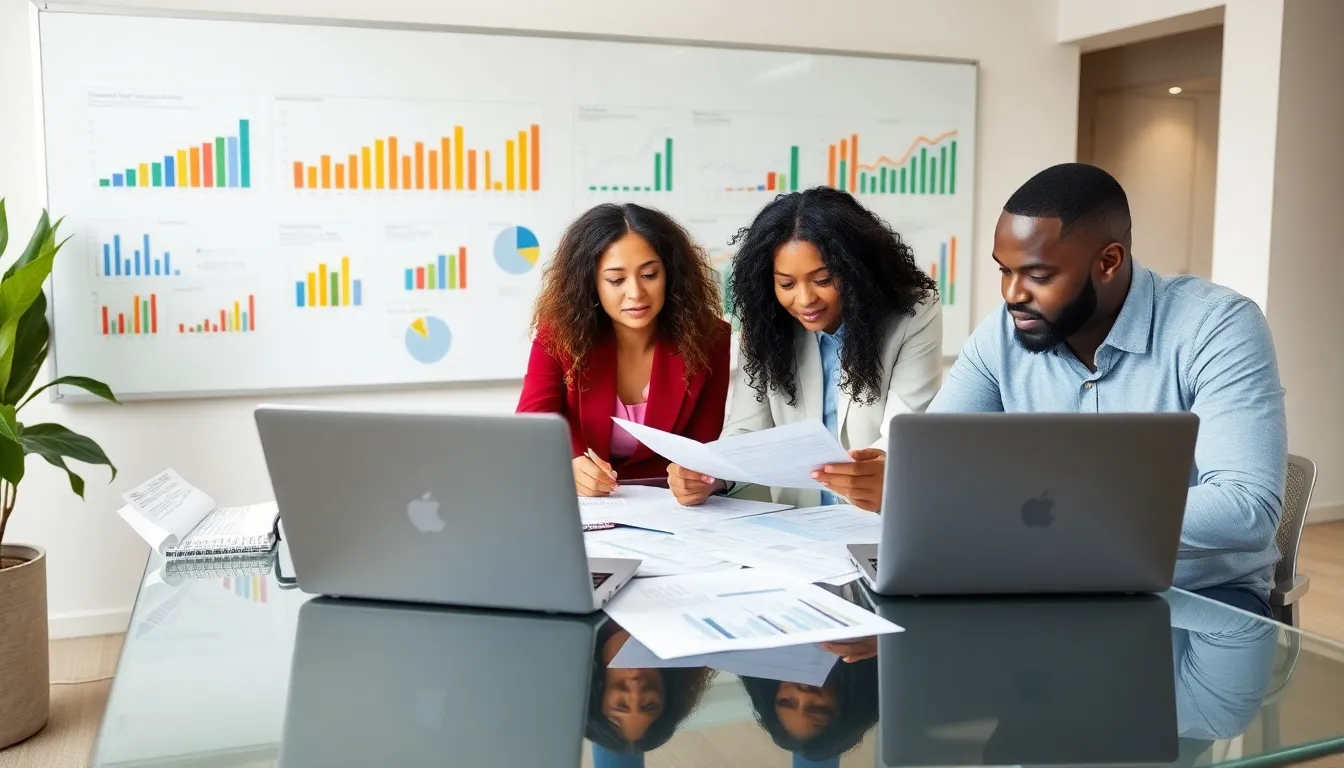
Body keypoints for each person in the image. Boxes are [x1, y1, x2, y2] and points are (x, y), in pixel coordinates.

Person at [929, 163, 1288, 616]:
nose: (1012, 294)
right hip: (1043, 583)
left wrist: (1056, 512)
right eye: (1005, 271)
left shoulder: (1217, 326)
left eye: (1037, 275)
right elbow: (934, 468)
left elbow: (1245, 510)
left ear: (1109, 261)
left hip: (1196, 595)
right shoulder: (1001, 334)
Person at [666, 187, 942, 511]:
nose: (804, 299)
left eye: (823, 280)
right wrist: (712, 473)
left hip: (876, 520)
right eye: (786, 284)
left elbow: (906, 433)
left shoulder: (913, 314)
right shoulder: (765, 322)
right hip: (799, 526)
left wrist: (881, 467)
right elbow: (746, 429)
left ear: (857, 270)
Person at [517, 203, 732, 497]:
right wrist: (567, 464)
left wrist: (700, 481)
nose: (635, 293)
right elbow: (532, 428)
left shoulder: (711, 338)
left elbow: (703, 447)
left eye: (650, 275)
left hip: (670, 509)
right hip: (581, 504)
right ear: (590, 283)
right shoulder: (559, 333)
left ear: (670, 275)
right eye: (616, 280)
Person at [740, 640, 880, 762]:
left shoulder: (761, 647)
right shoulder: (879, 647)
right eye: (817, 708)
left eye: (787, 701)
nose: (803, 695)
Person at [586, 623, 715, 755]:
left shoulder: (572, 618)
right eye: (648, 706)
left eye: (621, 705)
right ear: (666, 688)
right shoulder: (693, 630)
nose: (635, 689)